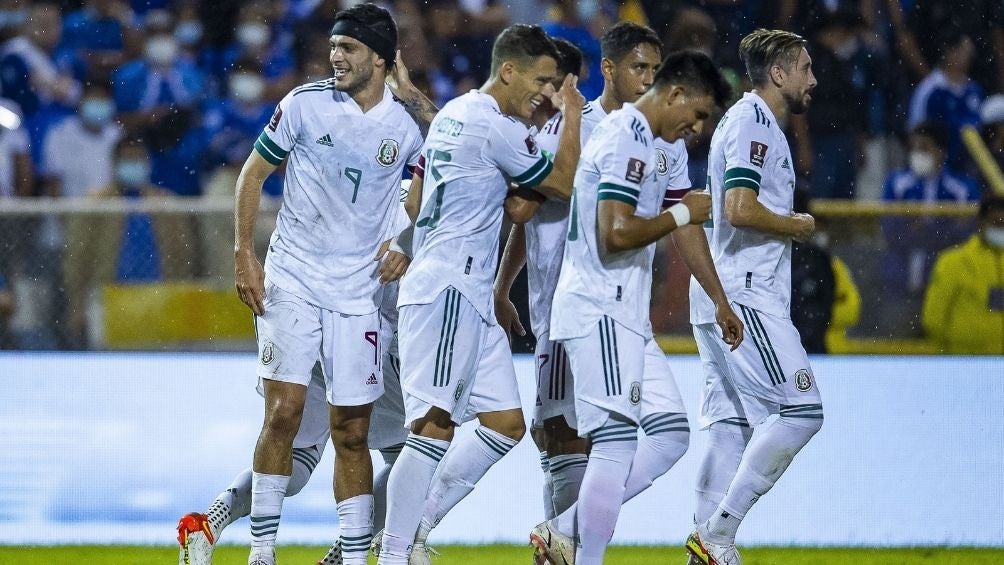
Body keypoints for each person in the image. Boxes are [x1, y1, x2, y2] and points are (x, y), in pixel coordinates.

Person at [378, 23, 583, 565]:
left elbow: (423, 201)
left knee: (504, 424)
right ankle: (395, 551)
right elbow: (560, 185)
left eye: (555, 83)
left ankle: (415, 526)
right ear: (508, 71)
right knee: (433, 425)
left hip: (466, 288)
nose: (546, 91)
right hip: (448, 287)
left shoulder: (456, 112)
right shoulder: (495, 126)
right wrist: (575, 111)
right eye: (541, 80)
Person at [229, 4, 426, 564]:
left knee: (353, 432)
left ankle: (356, 554)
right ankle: (261, 553)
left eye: (350, 48)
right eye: (334, 46)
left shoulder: (405, 127)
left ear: (381, 60)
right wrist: (245, 253)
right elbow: (253, 173)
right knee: (285, 411)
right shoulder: (303, 104)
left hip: (358, 294)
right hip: (291, 276)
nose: (335, 56)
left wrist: (402, 244)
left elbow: (433, 178)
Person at [528, 50, 732, 565]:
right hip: (599, 308)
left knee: (668, 434)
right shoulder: (626, 136)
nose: (698, 128)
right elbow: (616, 233)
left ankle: (564, 530)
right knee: (616, 442)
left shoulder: (640, 138)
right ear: (677, 93)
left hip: (626, 316)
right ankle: (583, 554)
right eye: (700, 113)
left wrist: (718, 297)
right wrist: (685, 210)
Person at [685, 29, 823, 565]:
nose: (814, 79)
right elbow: (740, 208)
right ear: (780, 73)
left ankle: (704, 545)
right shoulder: (753, 125)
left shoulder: (746, 122)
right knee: (802, 411)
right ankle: (719, 532)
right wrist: (797, 223)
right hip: (745, 295)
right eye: (805, 68)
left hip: (722, 292)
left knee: (729, 427)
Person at [882, 121, 979, 298]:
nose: (917, 154)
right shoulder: (897, 184)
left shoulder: (962, 189)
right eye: (914, 148)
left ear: (941, 151)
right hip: (900, 279)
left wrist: (932, 230)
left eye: (924, 148)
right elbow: (888, 228)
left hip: (946, 282)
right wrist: (909, 228)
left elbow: (968, 234)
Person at [922, 196, 1004, 354]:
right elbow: (933, 317)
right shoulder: (953, 262)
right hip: (965, 361)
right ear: (981, 223)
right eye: (996, 223)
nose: (1001, 229)